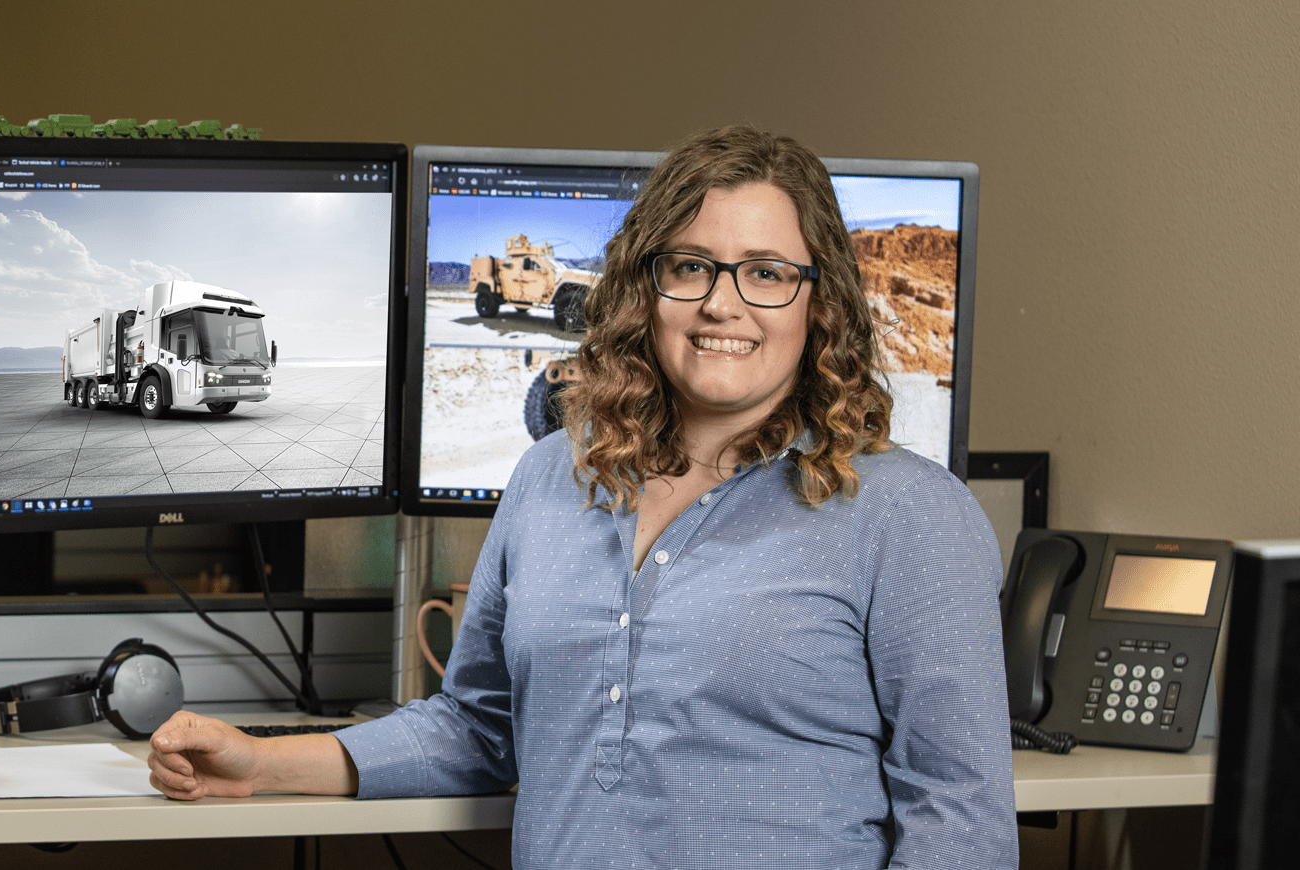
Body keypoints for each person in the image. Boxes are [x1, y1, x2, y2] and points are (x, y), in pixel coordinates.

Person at [147, 126, 1016, 869]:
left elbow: (961, 822)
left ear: (816, 300)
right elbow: (479, 730)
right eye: (692, 266)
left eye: (766, 273)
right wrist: (260, 764)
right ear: (647, 285)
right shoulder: (549, 479)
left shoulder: (907, 513)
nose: (723, 304)